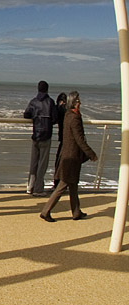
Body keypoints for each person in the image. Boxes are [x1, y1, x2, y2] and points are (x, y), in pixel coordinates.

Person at [40, 91, 96, 222]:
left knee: (73, 185)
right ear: (74, 103)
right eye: (78, 101)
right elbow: (79, 139)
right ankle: (46, 211)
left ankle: (76, 212)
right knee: (63, 185)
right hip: (71, 157)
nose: (80, 103)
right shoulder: (74, 118)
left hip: (68, 155)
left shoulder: (68, 115)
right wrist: (91, 153)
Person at [23, 80, 58, 197]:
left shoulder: (33, 102)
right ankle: (38, 189)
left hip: (36, 134)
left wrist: (35, 117)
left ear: (38, 89)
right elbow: (54, 119)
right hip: (46, 135)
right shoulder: (50, 102)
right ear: (47, 89)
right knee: (43, 163)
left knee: (33, 162)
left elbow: (26, 114)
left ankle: (30, 186)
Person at [53, 92, 68, 187]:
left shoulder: (60, 109)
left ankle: (57, 183)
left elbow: (54, 119)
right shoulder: (68, 111)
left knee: (59, 161)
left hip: (64, 139)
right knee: (64, 162)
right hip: (68, 139)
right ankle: (62, 183)